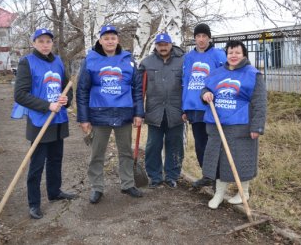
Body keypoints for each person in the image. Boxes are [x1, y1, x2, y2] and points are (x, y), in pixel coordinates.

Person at [76, 25, 144, 204]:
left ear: (118, 40)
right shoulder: (91, 60)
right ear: (100, 40)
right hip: (99, 114)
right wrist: (84, 118)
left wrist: (138, 113)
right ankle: (97, 187)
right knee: (97, 153)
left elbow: (137, 89)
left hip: (124, 113)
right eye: (106, 38)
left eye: (113, 38)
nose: (110, 41)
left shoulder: (128, 60)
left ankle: (128, 184)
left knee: (125, 152)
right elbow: (82, 90)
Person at [13, 28, 75, 219]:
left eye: (48, 41)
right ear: (34, 43)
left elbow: (67, 87)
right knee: (37, 164)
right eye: (41, 41)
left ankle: (55, 192)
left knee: (56, 159)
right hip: (40, 120)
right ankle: (34, 203)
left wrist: (67, 100)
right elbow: (20, 95)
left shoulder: (57, 61)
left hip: (58, 120)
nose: (45, 44)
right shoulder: (27, 62)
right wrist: (48, 105)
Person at [200, 40, 267, 209]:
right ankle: (219, 194)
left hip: (241, 125)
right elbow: (205, 89)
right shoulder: (217, 73)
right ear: (226, 54)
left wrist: (257, 127)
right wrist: (206, 93)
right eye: (230, 52)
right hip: (218, 124)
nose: (233, 56)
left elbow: (260, 102)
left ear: (244, 54)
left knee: (241, 159)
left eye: (237, 52)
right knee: (218, 159)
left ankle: (243, 193)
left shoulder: (253, 74)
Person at [182, 23, 227, 188]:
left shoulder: (218, 55)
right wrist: (184, 107)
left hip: (211, 107)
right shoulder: (189, 57)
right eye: (198, 36)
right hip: (194, 108)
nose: (201, 39)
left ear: (209, 38)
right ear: (194, 38)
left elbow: (224, 78)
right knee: (200, 144)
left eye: (204, 36)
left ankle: (219, 180)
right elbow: (185, 82)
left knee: (213, 144)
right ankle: (207, 175)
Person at [139, 33, 185, 189]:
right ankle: (155, 176)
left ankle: (172, 176)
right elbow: (140, 90)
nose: (163, 47)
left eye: (166, 44)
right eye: (160, 45)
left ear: (171, 45)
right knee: (153, 145)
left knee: (175, 145)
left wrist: (187, 110)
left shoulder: (183, 61)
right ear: (156, 46)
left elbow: (188, 87)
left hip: (176, 112)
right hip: (155, 112)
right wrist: (138, 111)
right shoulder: (146, 63)